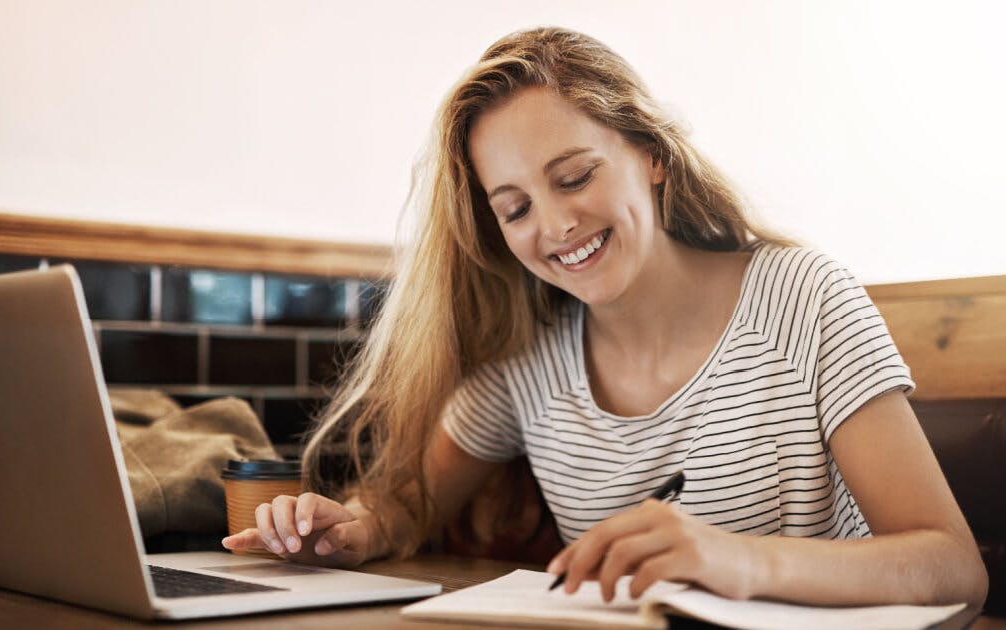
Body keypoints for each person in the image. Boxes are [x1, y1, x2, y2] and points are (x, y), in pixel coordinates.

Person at [222, 26, 988, 608]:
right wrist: (352, 530)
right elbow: (404, 507)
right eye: (515, 209)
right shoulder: (528, 362)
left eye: (575, 176)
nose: (555, 226)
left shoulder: (802, 299)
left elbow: (955, 567)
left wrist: (734, 560)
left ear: (652, 153)